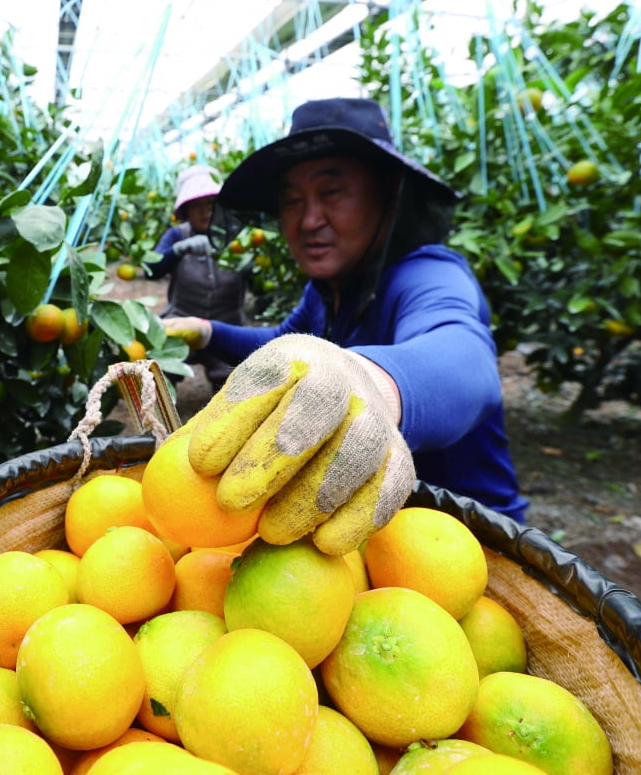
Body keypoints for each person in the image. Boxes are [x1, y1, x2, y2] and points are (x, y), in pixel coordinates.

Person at [164, 98, 528, 554]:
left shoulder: (428, 274)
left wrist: (372, 381)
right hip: (354, 545)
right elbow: (282, 345)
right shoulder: (327, 291)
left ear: (388, 193)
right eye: (292, 201)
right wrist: (209, 332)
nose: (309, 219)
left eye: (331, 192)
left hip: (462, 547)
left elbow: (465, 358)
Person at [144, 164, 247, 391]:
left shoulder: (240, 238)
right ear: (185, 211)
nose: (205, 211)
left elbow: (264, 281)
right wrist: (177, 250)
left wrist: (252, 260)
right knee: (157, 372)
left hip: (226, 326)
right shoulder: (177, 235)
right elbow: (150, 269)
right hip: (181, 323)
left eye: (211, 203)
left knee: (234, 388)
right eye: (196, 205)